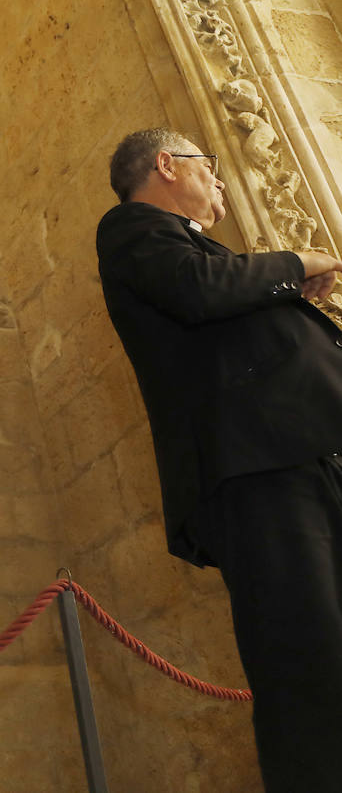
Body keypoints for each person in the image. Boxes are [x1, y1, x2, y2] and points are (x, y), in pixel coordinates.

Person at [97, 127, 342, 790]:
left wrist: (287, 294)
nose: (224, 184)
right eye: (213, 170)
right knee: (310, 666)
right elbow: (200, 290)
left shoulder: (212, 259)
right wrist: (296, 263)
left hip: (308, 460)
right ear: (167, 165)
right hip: (259, 476)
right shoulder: (130, 230)